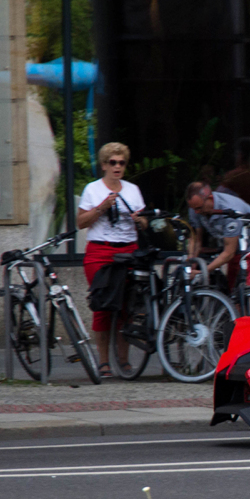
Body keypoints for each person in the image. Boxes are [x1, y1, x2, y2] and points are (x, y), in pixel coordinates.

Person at [77, 142, 147, 377]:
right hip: (100, 252)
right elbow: (81, 222)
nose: (117, 167)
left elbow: (145, 222)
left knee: (127, 306)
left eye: (121, 163)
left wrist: (140, 220)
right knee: (104, 306)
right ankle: (104, 361)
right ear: (104, 165)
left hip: (128, 250)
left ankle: (124, 361)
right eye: (112, 162)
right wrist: (102, 207)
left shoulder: (133, 190)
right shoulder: (92, 189)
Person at [185, 181, 250, 289]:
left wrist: (201, 271)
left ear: (210, 198)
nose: (196, 212)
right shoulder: (195, 207)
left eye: (199, 208)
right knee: (232, 292)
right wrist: (191, 263)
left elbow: (228, 253)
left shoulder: (230, 209)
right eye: (193, 209)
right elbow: (197, 240)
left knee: (249, 292)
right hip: (237, 248)